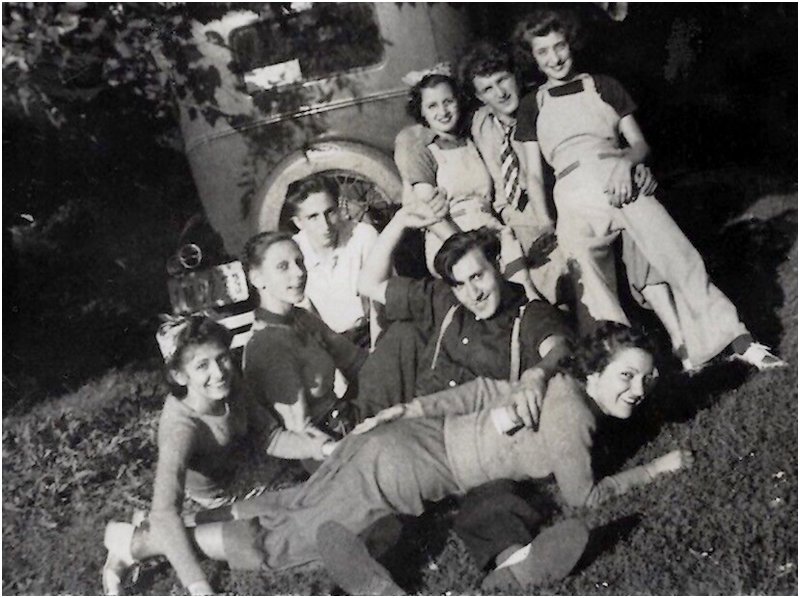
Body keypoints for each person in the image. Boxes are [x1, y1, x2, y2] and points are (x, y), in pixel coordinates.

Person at [100, 322, 694, 595]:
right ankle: (152, 542)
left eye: (647, 379)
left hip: (398, 447)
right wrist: (657, 469)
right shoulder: (571, 414)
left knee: (296, 504)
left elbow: (483, 393)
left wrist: (403, 412)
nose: (637, 391)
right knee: (292, 541)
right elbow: (582, 496)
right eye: (627, 376)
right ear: (593, 369)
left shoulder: (553, 389)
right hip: (406, 469)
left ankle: (134, 543)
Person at [510, 9, 786, 371]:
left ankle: (736, 339)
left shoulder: (603, 85)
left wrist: (626, 164)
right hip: (572, 193)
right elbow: (533, 174)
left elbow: (639, 144)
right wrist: (548, 222)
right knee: (589, 284)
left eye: (559, 46)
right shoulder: (533, 105)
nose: (555, 57)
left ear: (571, 44)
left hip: (619, 177)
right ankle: (622, 370)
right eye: (543, 52)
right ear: (532, 57)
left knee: (678, 254)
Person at [102, 316, 273, 596]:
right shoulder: (181, 427)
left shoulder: (229, 384)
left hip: (249, 476)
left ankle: (148, 535)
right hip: (212, 499)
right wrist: (199, 586)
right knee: (261, 534)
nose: (218, 372)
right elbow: (165, 510)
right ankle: (137, 542)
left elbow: (270, 435)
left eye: (222, 358)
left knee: (294, 507)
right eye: (202, 366)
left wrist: (325, 448)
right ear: (179, 375)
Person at [356, 201, 571, 421]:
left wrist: (537, 374)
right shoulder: (445, 298)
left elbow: (560, 349)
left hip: (461, 437)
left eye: (477, 277)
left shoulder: (527, 313)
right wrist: (400, 220)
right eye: (460, 284)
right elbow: (368, 284)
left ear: (498, 265)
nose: (473, 294)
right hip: (412, 421)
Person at [393, 65, 538, 299]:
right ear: (422, 111)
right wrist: (466, 248)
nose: (443, 111)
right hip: (451, 238)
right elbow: (431, 216)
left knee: (524, 287)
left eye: (448, 101)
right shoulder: (422, 151)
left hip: (489, 228)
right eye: (432, 106)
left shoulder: (471, 141)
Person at [240, 231, 367, 463]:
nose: (298, 272)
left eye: (300, 262)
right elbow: (301, 431)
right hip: (327, 446)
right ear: (257, 279)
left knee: (402, 341)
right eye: (283, 267)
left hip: (348, 416)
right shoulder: (268, 345)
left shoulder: (301, 317)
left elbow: (357, 361)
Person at [284, 175, 379, 349]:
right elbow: (300, 317)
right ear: (298, 222)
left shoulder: (364, 236)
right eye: (313, 217)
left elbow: (380, 301)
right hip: (325, 344)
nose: (325, 225)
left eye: (330, 212)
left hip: (370, 334)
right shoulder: (292, 252)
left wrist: (378, 350)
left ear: (338, 208)